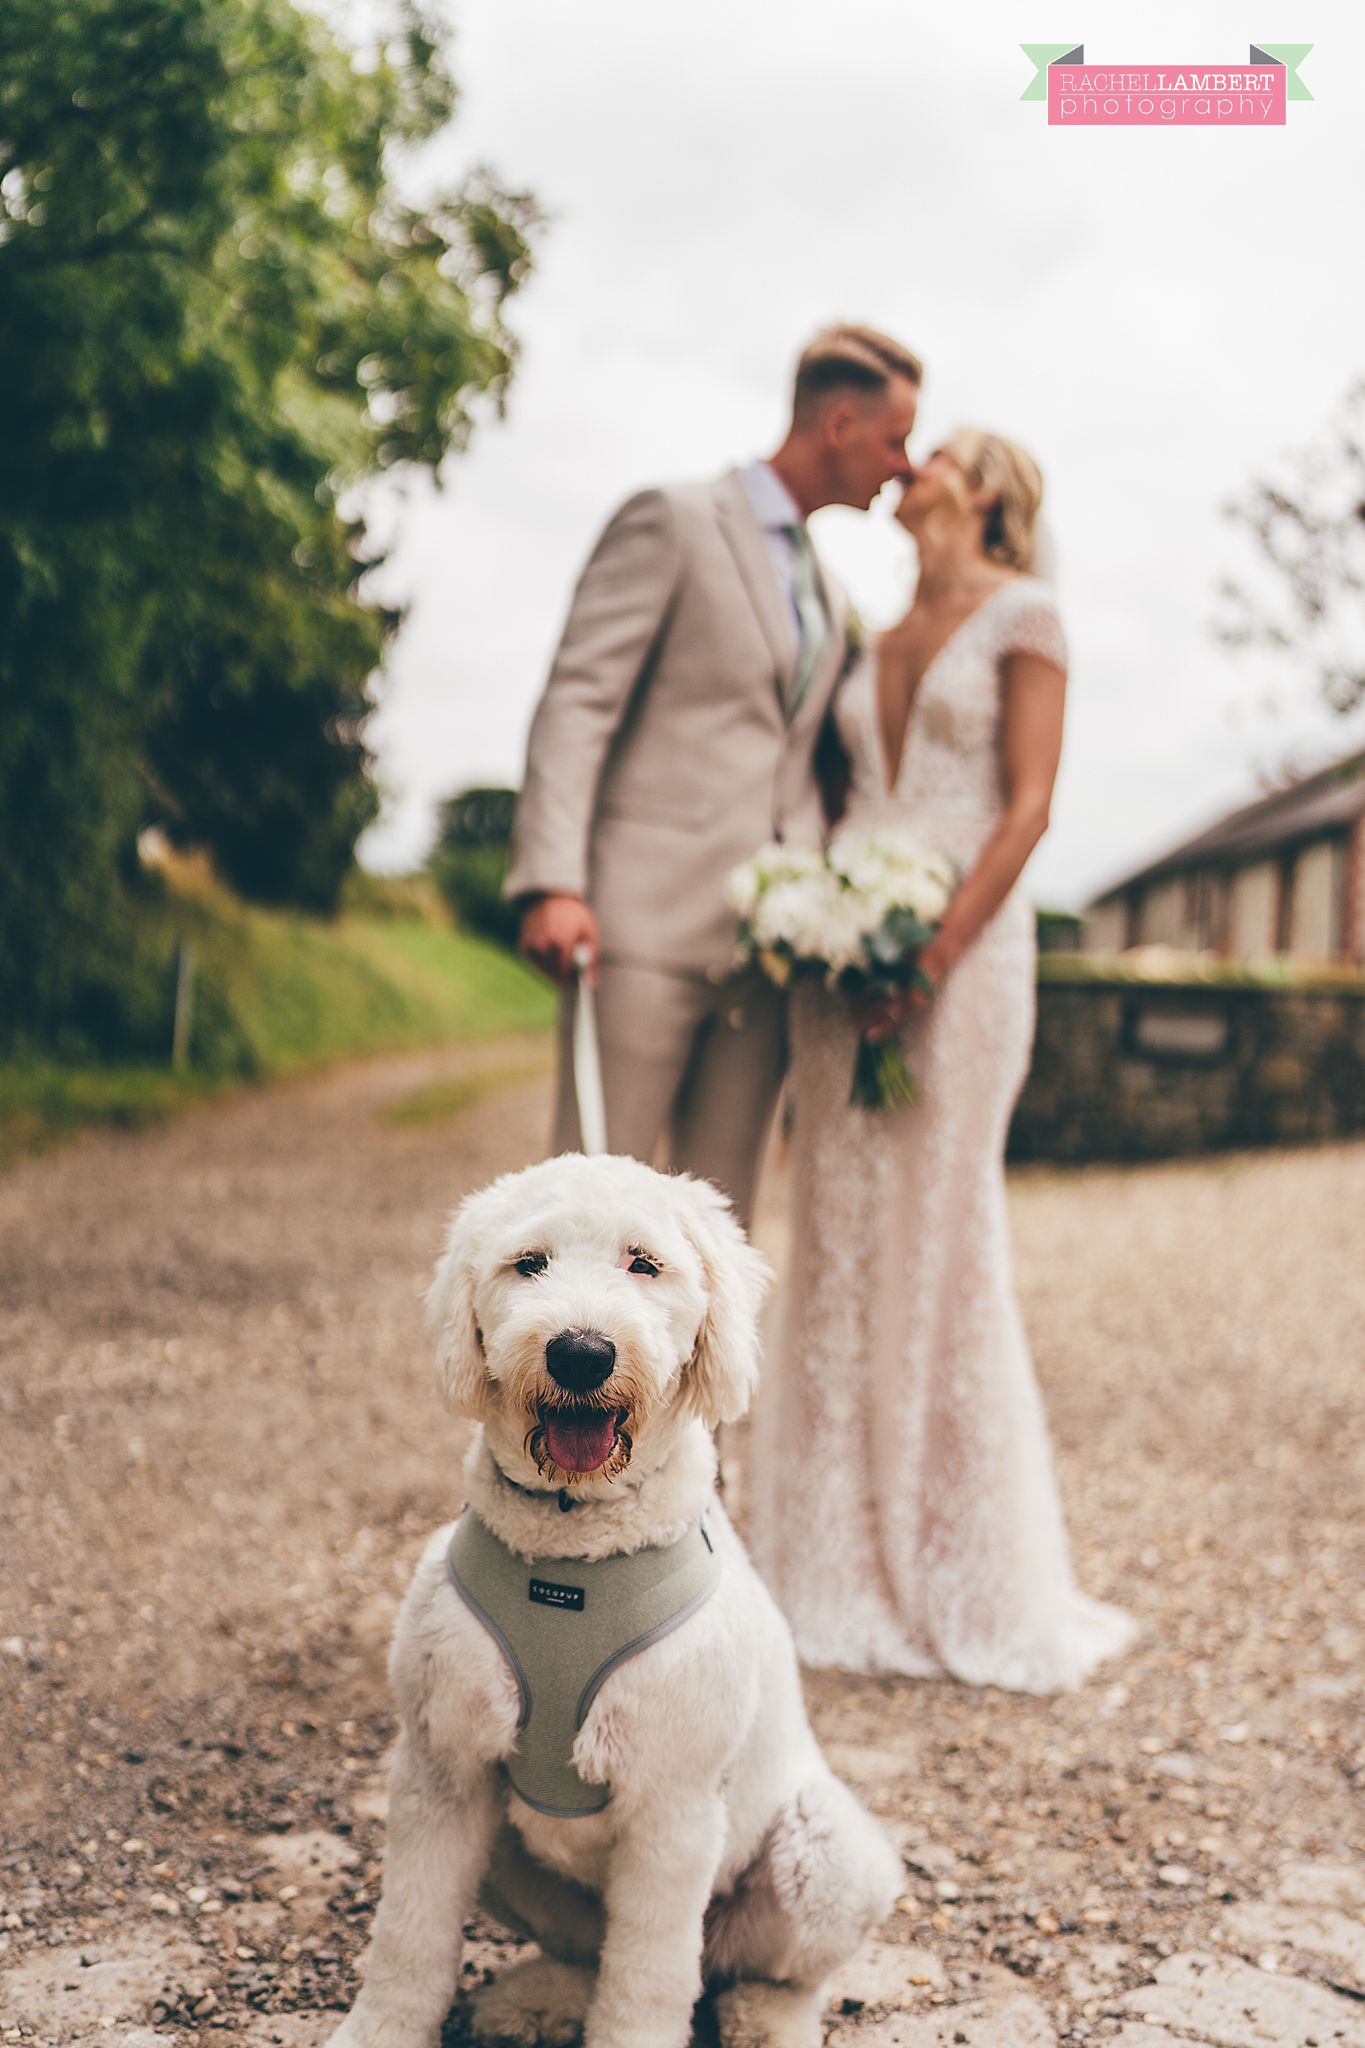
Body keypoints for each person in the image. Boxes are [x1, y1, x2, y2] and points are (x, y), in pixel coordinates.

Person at [751, 429, 1136, 1691]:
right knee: (837, 1227)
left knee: (939, 1231)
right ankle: (822, 1551)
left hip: (963, 955)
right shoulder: (868, 628)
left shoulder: (1027, 616)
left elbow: (1028, 804)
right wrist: (823, 913)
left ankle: (953, 1557)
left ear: (990, 497)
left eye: (944, 454)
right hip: (844, 943)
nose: (913, 465)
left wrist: (931, 952)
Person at [503, 325, 922, 1228]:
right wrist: (552, 881)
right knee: (587, 1215)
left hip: (768, 956)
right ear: (841, 424)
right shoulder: (674, 519)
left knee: (713, 1236)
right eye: (896, 440)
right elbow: (580, 696)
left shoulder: (831, 591)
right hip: (635, 931)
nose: (905, 465)